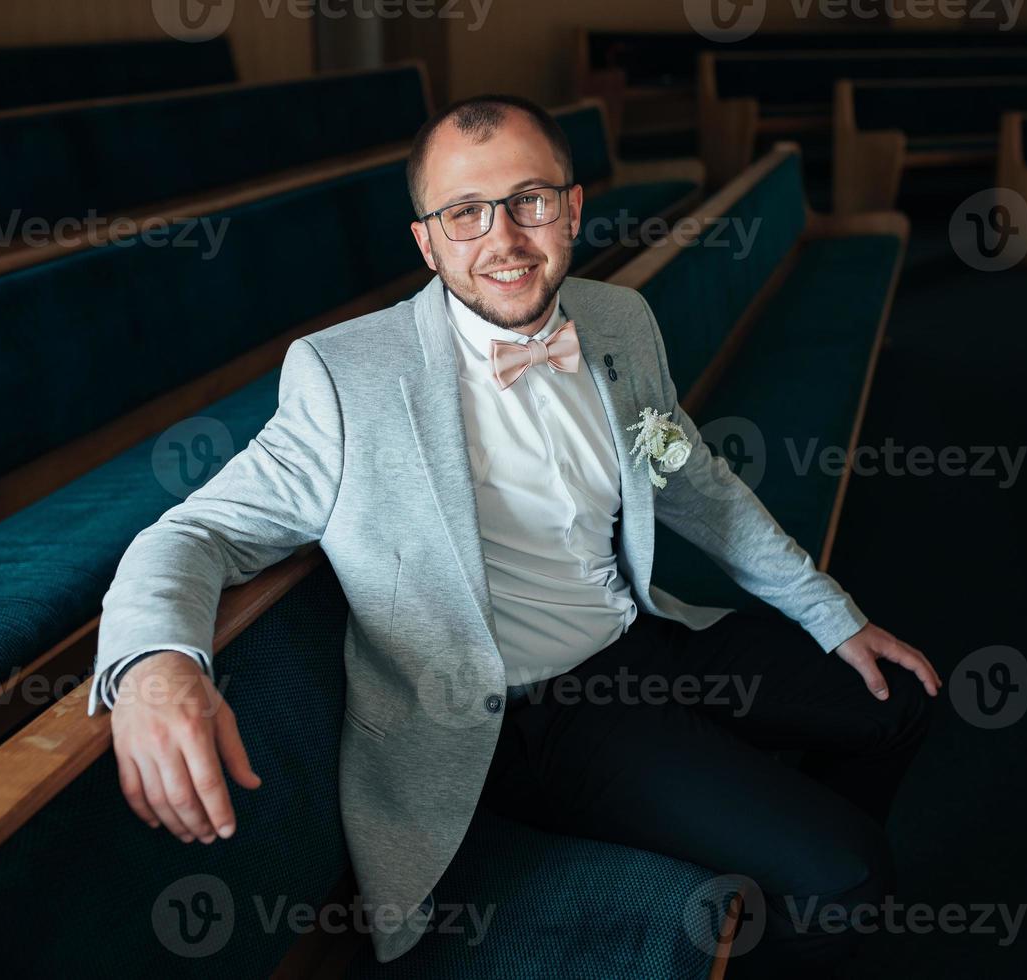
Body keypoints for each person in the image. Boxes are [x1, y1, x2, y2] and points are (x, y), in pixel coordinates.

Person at [88, 93, 941, 975]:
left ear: (573, 207)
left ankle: (782, 863)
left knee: (899, 705)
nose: (504, 239)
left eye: (531, 200)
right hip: (529, 716)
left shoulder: (617, 322)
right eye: (465, 213)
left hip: (640, 638)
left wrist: (832, 614)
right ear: (427, 240)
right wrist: (154, 668)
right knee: (847, 876)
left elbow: (694, 483)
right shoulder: (345, 379)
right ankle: (805, 891)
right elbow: (192, 535)